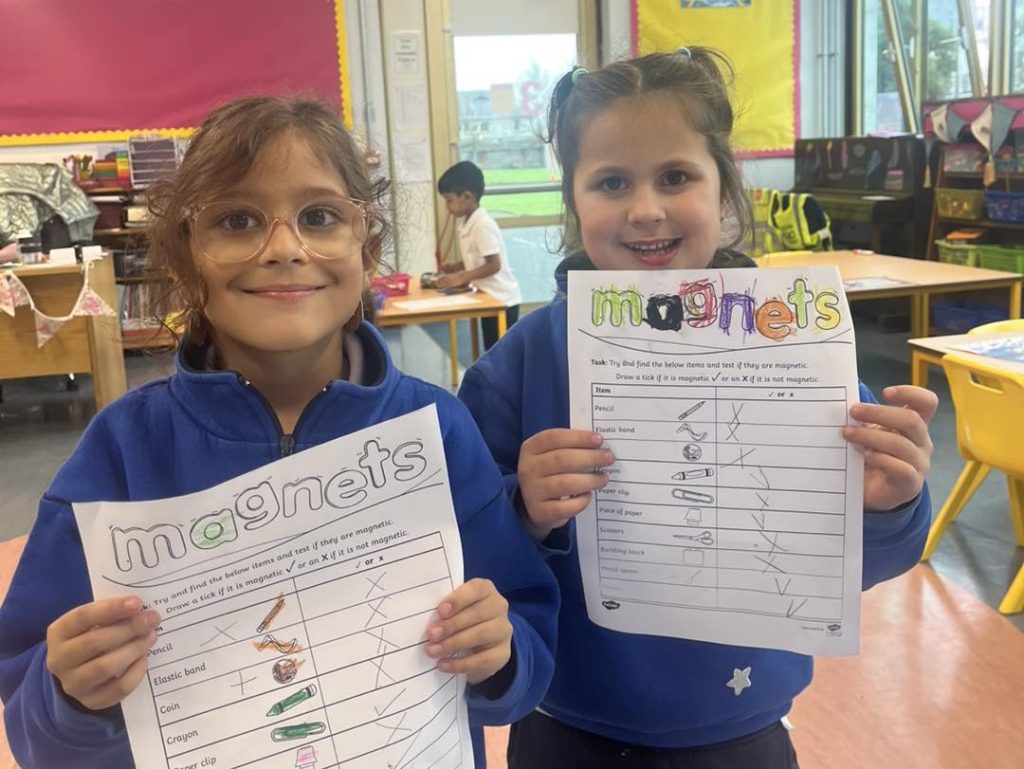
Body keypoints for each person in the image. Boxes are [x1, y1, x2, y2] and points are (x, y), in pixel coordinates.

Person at [0, 96, 558, 769]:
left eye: (320, 216)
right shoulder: (121, 451)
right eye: (237, 220)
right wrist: (72, 695)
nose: (285, 248)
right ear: (186, 257)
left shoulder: (435, 431)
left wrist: (499, 654)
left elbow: (526, 645)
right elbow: (33, 724)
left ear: (367, 248)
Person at [459, 49, 937, 768]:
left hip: (741, 729)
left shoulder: (797, 346)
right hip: (566, 726)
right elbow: (466, 556)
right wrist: (521, 508)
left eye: (676, 176)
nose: (646, 209)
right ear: (574, 203)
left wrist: (889, 502)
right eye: (611, 182)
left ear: (723, 192)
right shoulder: (518, 366)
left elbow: (869, 561)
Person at [436, 160, 522, 350]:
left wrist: (462, 277)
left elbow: (494, 264)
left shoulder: (482, 224)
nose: (447, 206)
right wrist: (458, 266)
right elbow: (477, 255)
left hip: (502, 300)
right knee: (492, 349)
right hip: (488, 297)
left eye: (449, 200)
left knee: (502, 353)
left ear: (467, 196)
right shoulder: (466, 221)